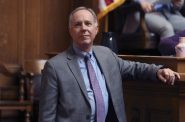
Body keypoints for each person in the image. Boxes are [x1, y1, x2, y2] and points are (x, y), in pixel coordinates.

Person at [38, 6, 180, 122]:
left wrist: (158, 71)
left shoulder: (106, 54)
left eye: (88, 23)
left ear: (96, 29)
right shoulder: (55, 67)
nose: (84, 28)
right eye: (77, 24)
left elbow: (135, 68)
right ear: (70, 31)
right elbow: (46, 117)